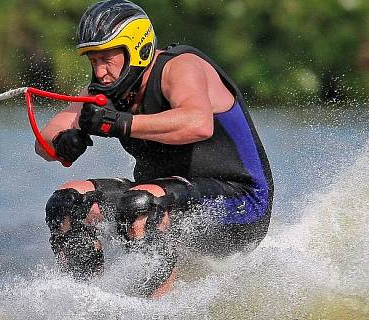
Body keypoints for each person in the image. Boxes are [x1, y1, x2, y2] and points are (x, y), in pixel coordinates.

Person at [35, 0, 274, 299]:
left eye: (108, 58)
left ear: (138, 49)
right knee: (67, 203)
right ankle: (84, 305)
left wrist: (120, 123)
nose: (100, 72)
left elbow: (198, 124)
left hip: (241, 205)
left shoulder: (181, 68)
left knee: (143, 206)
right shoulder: (107, 88)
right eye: (93, 60)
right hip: (165, 195)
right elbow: (45, 140)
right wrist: (61, 142)